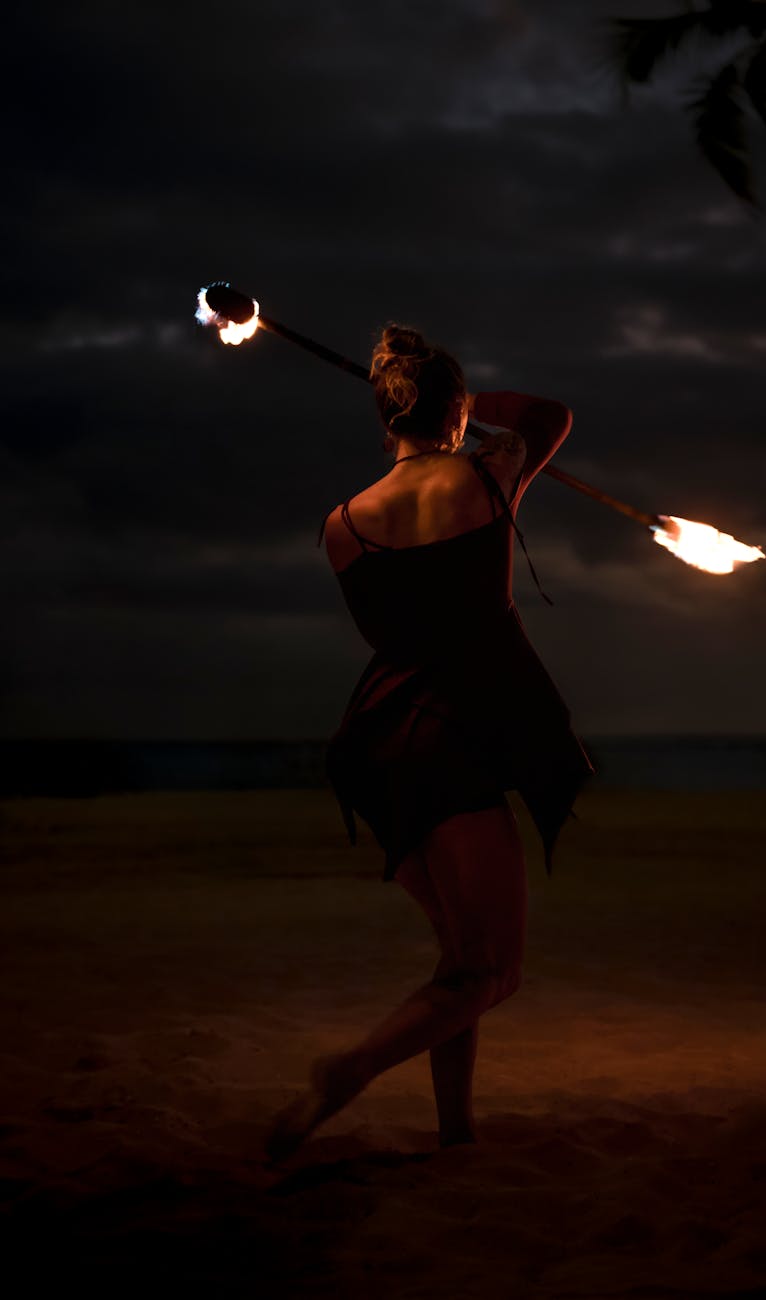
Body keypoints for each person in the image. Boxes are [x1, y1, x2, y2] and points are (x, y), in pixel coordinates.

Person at [265, 324, 594, 1162]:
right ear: (452, 409)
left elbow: (404, 629)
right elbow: (551, 414)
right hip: (454, 738)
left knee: (461, 961)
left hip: (379, 739)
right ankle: (352, 1069)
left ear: (386, 415)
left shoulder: (341, 524)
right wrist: (465, 404)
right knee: (493, 972)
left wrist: (423, 400)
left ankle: (455, 1134)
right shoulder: (487, 474)